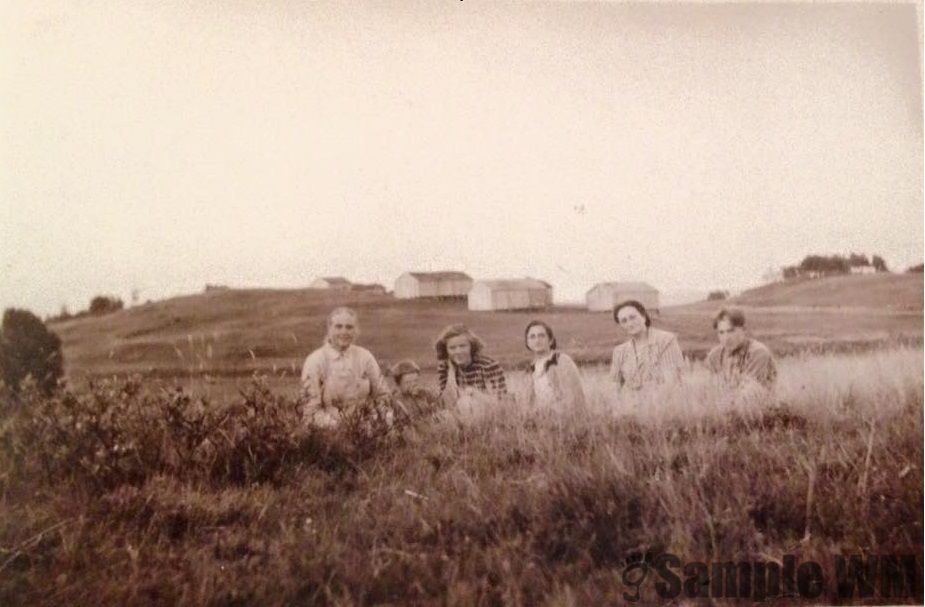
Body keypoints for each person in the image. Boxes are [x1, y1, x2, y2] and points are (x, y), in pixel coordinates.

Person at [299, 307, 390, 428]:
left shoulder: (365, 357)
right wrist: (341, 429)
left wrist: (382, 424)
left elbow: (383, 397)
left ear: (356, 331)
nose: (344, 332)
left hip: (367, 430)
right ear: (329, 329)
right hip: (328, 432)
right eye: (338, 326)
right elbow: (310, 412)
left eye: (349, 327)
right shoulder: (315, 361)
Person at [610, 300, 685, 390]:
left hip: (664, 401)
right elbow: (615, 390)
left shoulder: (665, 340)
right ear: (621, 325)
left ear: (644, 317)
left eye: (633, 317)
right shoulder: (619, 351)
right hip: (630, 403)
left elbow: (671, 383)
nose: (629, 324)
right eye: (624, 321)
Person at [434, 324, 507, 404]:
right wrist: (451, 371)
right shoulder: (445, 366)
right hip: (456, 411)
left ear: (471, 347)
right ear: (446, 350)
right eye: (452, 348)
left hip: (486, 408)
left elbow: (501, 401)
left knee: (466, 401)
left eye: (462, 346)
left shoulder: (488, 365)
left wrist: (473, 393)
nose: (458, 351)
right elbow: (445, 402)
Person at [706, 307, 777, 390]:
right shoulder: (715, 356)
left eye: (731, 331)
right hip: (724, 401)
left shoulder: (758, 352)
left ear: (744, 330)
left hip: (760, 402)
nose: (726, 338)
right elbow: (714, 390)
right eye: (721, 332)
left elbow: (748, 393)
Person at [523, 320, 587, 409]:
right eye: (532, 337)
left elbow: (573, 399)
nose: (537, 340)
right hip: (542, 419)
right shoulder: (531, 369)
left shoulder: (561, 361)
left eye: (541, 336)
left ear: (550, 340)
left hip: (564, 418)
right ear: (527, 343)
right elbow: (528, 404)